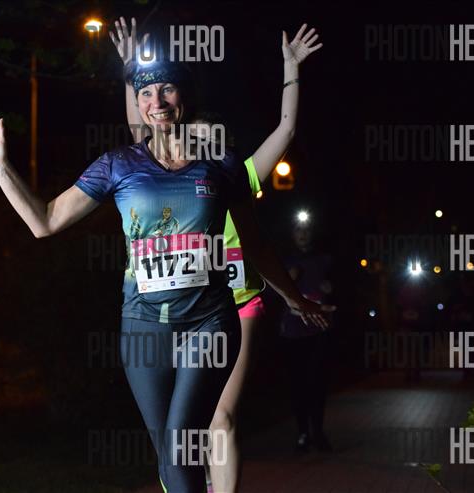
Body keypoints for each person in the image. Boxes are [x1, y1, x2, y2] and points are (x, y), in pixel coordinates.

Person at [0, 47, 331, 493]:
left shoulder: (222, 165)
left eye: (167, 89)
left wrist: (294, 297)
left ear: (185, 96)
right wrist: (1, 167)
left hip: (209, 322)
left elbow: (255, 244)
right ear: (137, 103)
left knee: (179, 447)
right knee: (170, 459)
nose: (156, 101)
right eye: (145, 93)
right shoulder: (118, 165)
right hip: (143, 325)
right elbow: (44, 222)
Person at [110, 17, 323, 492]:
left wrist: (291, 72)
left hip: (232, 305)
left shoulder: (231, 175)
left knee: (220, 418)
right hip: (167, 309)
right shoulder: (158, 170)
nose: (201, 145)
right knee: (173, 435)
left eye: (211, 139)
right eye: (196, 137)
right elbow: (139, 126)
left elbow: (286, 130)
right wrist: (130, 72)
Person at [279, 218, 334, 453]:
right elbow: (270, 293)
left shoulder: (325, 260)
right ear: (292, 233)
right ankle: (302, 434)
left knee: (318, 382)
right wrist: (287, 280)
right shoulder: (283, 261)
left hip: (319, 329)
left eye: (306, 229)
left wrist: (331, 289)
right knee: (297, 384)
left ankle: (318, 432)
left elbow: (342, 291)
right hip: (293, 331)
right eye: (298, 229)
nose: (302, 234)